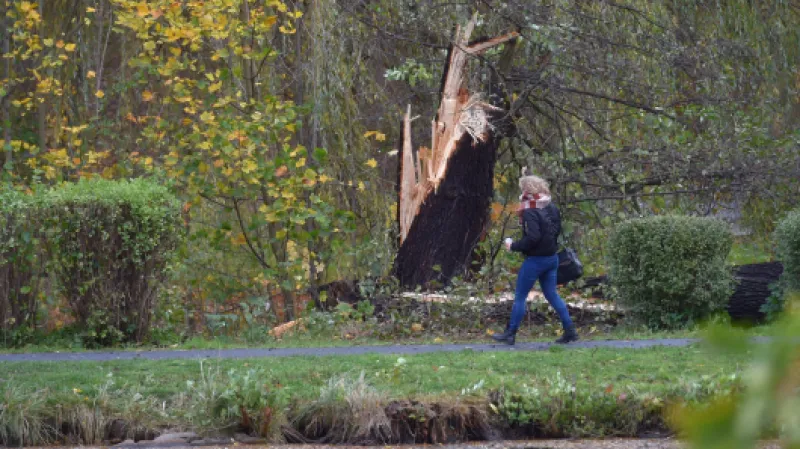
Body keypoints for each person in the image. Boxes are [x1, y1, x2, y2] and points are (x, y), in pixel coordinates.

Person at [492, 174, 579, 345]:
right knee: (552, 295)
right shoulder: (551, 207)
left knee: (520, 296)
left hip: (536, 261)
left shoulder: (530, 211)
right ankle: (570, 331)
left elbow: (533, 237)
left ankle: (510, 333)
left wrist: (513, 246)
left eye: (522, 189)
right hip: (552, 258)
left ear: (527, 190)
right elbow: (556, 231)